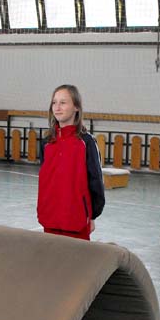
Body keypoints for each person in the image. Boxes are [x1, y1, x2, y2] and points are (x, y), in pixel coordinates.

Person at [37, 84, 105, 241]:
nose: (57, 107)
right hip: (49, 218)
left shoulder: (86, 142)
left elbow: (96, 182)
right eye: (54, 102)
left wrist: (92, 215)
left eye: (63, 102)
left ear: (76, 107)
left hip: (76, 221)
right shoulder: (46, 142)